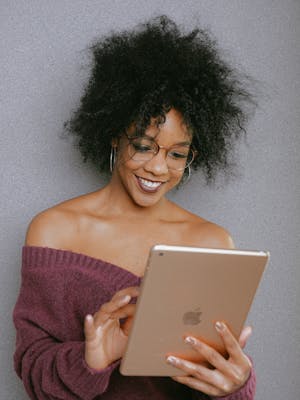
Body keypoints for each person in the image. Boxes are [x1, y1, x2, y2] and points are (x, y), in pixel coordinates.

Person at [13, 16, 256, 399]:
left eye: (177, 154)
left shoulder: (212, 240)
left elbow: (215, 367)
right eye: (143, 146)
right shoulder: (55, 230)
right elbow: (33, 367)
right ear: (113, 134)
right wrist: (92, 360)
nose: (158, 168)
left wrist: (236, 386)